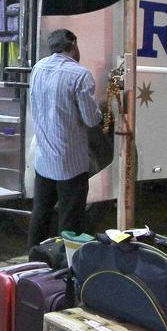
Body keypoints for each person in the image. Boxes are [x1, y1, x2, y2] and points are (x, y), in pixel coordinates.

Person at [28, 29, 103, 249]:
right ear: (73, 45)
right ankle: (66, 268)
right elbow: (91, 119)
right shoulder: (79, 74)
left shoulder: (38, 68)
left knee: (41, 213)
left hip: (44, 160)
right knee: (71, 221)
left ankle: (35, 261)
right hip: (71, 163)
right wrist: (102, 111)